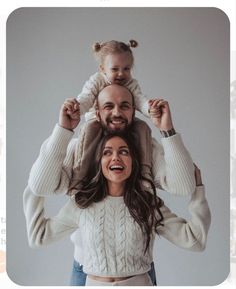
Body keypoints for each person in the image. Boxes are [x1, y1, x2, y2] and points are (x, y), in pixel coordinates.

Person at [28, 84, 196, 285]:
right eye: (108, 106)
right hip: (86, 268)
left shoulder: (147, 148)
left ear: (133, 112)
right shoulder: (79, 147)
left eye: (124, 106)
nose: (117, 112)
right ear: (97, 112)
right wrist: (64, 130)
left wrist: (167, 130)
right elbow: (41, 187)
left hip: (137, 270)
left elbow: (184, 187)